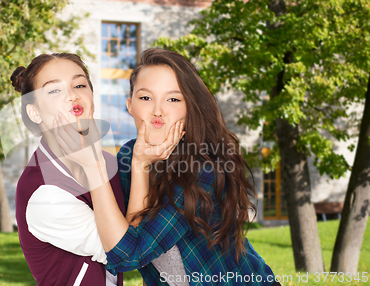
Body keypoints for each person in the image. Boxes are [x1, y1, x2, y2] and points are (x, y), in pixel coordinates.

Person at [52, 48, 279, 286]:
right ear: (129, 105)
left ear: (189, 107)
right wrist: (139, 164)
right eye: (146, 98)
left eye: (173, 99)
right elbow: (123, 240)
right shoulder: (127, 158)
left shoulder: (203, 168)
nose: (157, 111)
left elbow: (128, 255)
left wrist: (101, 165)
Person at [12, 53, 125, 286]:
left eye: (80, 85)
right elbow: (124, 251)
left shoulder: (106, 163)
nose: (72, 95)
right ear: (34, 112)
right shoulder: (42, 194)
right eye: (54, 90)